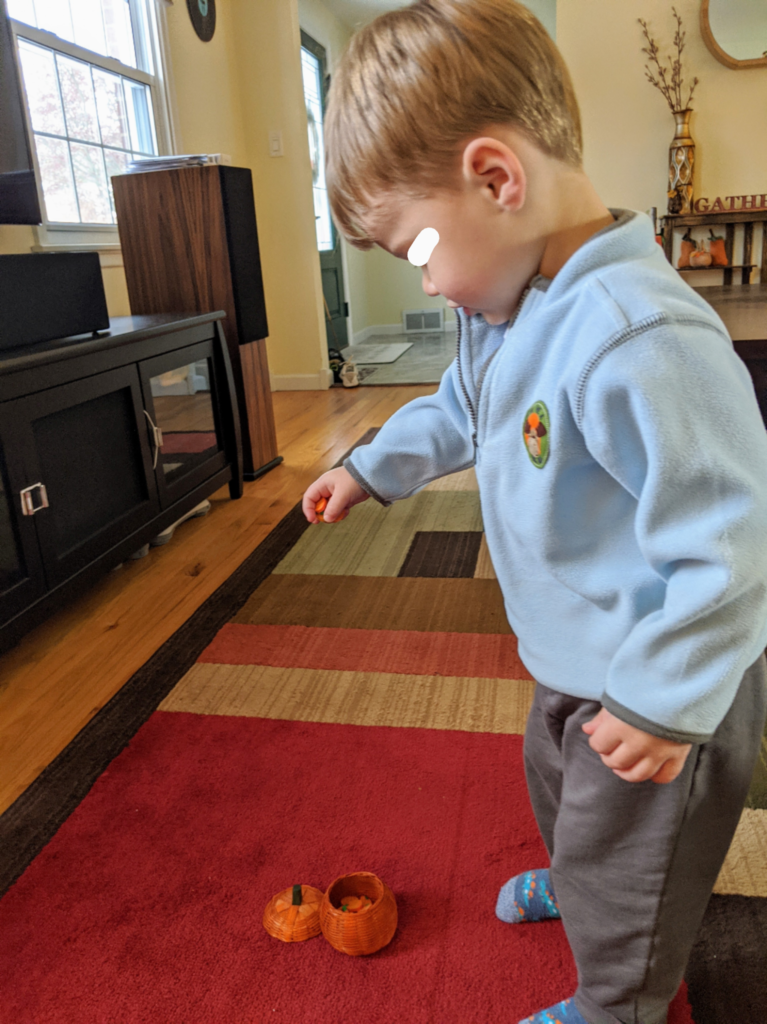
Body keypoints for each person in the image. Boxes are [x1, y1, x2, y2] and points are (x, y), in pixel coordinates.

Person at [300, 2, 767, 1022]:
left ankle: (620, 997)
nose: (425, 279)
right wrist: (372, 469)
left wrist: (662, 700)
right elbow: (460, 409)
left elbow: (732, 543)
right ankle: (582, 877)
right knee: (561, 795)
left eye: (415, 248)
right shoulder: (513, 302)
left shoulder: (636, 336)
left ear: (496, 179)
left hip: (660, 681)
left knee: (640, 861)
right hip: (569, 658)